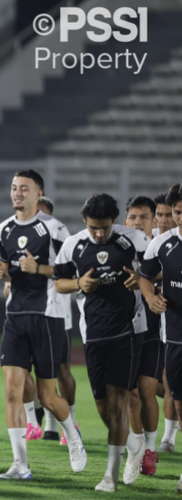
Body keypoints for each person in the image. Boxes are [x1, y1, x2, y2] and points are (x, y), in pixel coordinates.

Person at [0, 169, 86, 480]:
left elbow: (67, 274)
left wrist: (39, 267)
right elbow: (9, 268)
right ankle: (20, 465)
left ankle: (72, 435)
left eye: (24, 188)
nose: (17, 193)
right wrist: (2, 274)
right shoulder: (3, 229)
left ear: (37, 194)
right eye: (14, 187)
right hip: (14, 317)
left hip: (47, 316)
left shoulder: (55, 229)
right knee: (12, 393)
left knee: (47, 396)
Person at [55, 193, 149, 492]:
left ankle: (109, 475)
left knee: (120, 401)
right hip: (93, 333)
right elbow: (59, 283)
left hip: (127, 330)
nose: (99, 233)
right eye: (94, 227)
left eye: (105, 227)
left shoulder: (133, 239)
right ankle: (135, 444)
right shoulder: (73, 245)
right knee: (102, 406)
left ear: (114, 221)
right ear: (85, 222)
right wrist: (79, 284)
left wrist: (141, 277)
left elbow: (155, 269)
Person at [139, 183, 182, 494]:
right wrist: (151, 295)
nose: (181, 217)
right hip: (177, 338)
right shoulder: (163, 244)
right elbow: (144, 275)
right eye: (178, 212)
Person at [125, 195, 163, 475]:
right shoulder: (117, 248)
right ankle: (136, 446)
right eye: (133, 217)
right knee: (130, 394)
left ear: (154, 221)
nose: (138, 222)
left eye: (144, 217)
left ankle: (149, 449)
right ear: (125, 221)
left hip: (153, 328)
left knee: (147, 390)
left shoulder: (161, 247)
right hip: (123, 330)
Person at [156, 188, 181, 453]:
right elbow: (145, 272)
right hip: (164, 323)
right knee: (166, 380)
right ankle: (166, 438)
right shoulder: (157, 244)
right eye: (160, 214)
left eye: (169, 214)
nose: (164, 220)